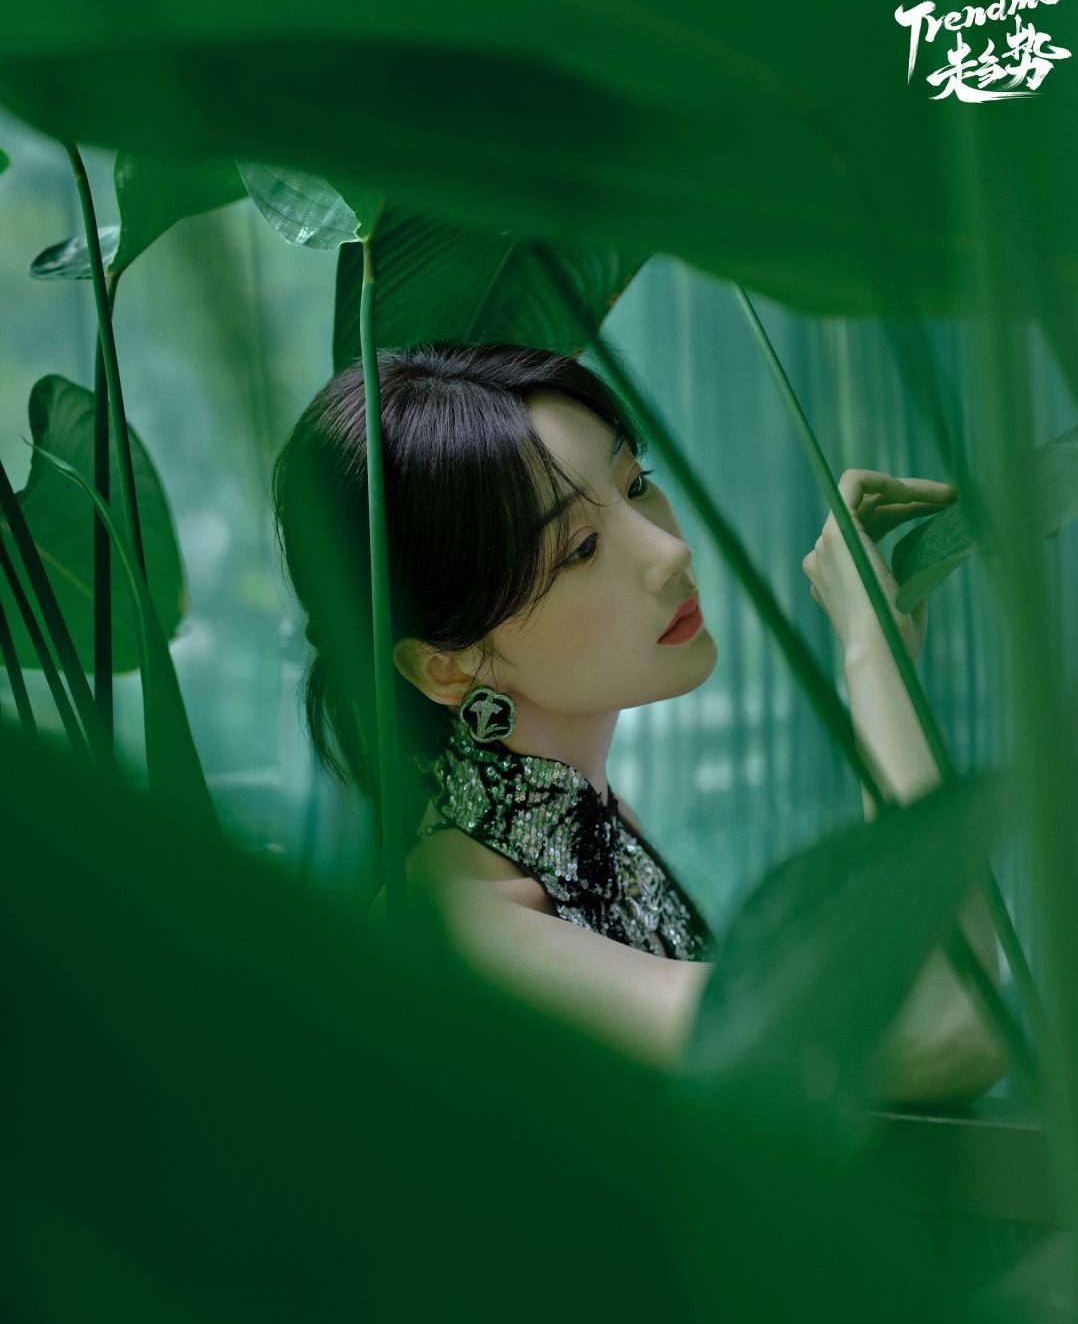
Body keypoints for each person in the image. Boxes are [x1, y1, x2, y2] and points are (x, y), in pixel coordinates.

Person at [271, 339, 1007, 1098]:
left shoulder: (597, 834)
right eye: (581, 548)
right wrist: (873, 658)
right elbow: (947, 1023)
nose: (667, 551)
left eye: (637, 483)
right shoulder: (457, 930)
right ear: (447, 667)